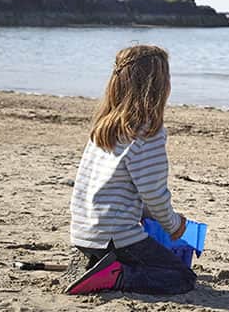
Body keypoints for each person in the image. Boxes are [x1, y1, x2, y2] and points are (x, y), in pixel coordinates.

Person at [64, 45, 197, 295]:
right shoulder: (146, 133)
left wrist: (149, 214)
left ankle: (98, 264)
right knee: (181, 276)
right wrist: (173, 225)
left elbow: (115, 188)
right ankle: (118, 275)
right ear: (159, 86)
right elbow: (153, 193)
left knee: (156, 260)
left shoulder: (105, 126)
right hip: (115, 237)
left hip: (84, 234)